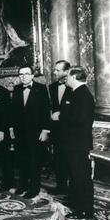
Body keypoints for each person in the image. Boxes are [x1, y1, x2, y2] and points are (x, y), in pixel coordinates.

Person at [58, 66, 94, 219]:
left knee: (81, 177)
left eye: (68, 76)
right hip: (74, 143)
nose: (66, 79)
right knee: (76, 176)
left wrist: (62, 117)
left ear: (73, 77)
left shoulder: (82, 94)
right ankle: (79, 205)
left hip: (78, 144)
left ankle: (84, 210)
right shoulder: (78, 93)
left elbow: (79, 119)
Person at [9, 66, 51, 199]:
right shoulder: (16, 89)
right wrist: (11, 128)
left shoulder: (41, 88)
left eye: (26, 74)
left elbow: (46, 110)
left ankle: (34, 189)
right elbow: (13, 111)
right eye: (21, 74)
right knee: (22, 160)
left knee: (35, 161)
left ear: (32, 75)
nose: (23, 77)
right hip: (20, 132)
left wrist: (45, 130)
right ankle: (22, 186)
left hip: (36, 131)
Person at [48, 60, 72, 195]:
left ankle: (72, 187)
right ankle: (61, 186)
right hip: (56, 130)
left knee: (70, 160)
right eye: (55, 70)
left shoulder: (74, 86)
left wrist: (62, 114)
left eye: (57, 70)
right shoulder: (51, 87)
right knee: (58, 159)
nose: (54, 72)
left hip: (70, 130)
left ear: (66, 71)